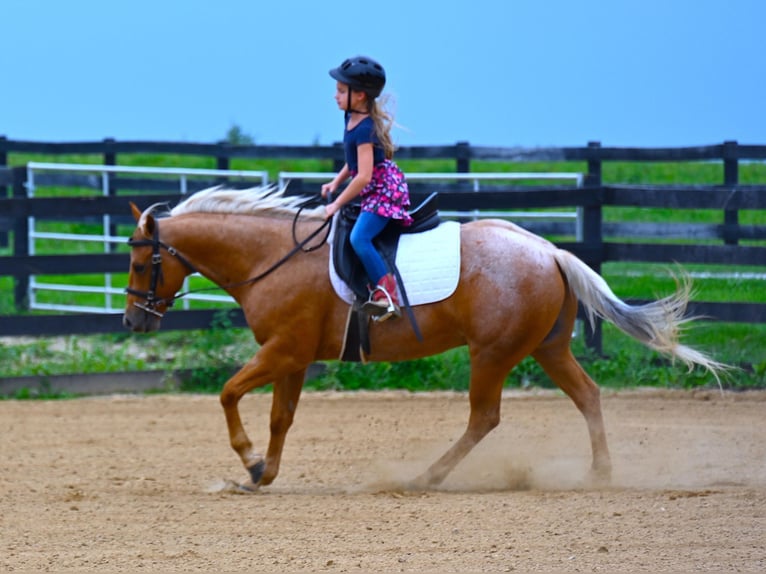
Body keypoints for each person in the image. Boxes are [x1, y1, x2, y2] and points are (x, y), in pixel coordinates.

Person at [322, 55, 413, 321]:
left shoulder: (365, 129)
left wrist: (337, 203)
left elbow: (363, 177)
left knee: (359, 238)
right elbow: (353, 164)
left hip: (383, 190)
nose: (335, 96)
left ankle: (387, 295)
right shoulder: (350, 118)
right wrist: (336, 182)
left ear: (360, 95)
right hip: (371, 184)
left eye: (341, 91)